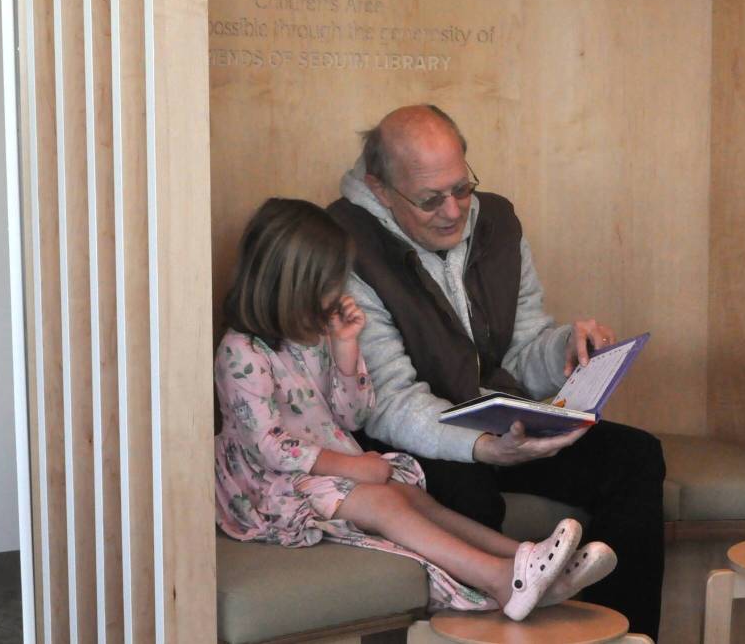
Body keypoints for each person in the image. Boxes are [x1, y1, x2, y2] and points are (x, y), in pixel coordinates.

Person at [328, 105, 666, 638]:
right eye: (430, 199)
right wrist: (482, 446)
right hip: (415, 439)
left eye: (462, 188)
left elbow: (521, 347)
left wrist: (563, 351)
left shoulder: (498, 222)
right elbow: (386, 402)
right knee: (468, 495)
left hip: (500, 418)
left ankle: (621, 635)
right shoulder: (345, 244)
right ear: (381, 189)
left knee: (635, 457)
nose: (453, 210)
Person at [213, 197, 617, 620]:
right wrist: (351, 468)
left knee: (413, 498)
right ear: (291, 283)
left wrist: (347, 347)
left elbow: (350, 415)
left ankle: (527, 560)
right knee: (385, 504)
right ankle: (501, 578)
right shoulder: (241, 352)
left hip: (326, 472)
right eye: (331, 281)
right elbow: (267, 445)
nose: (340, 292)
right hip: (269, 485)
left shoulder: (315, 336)